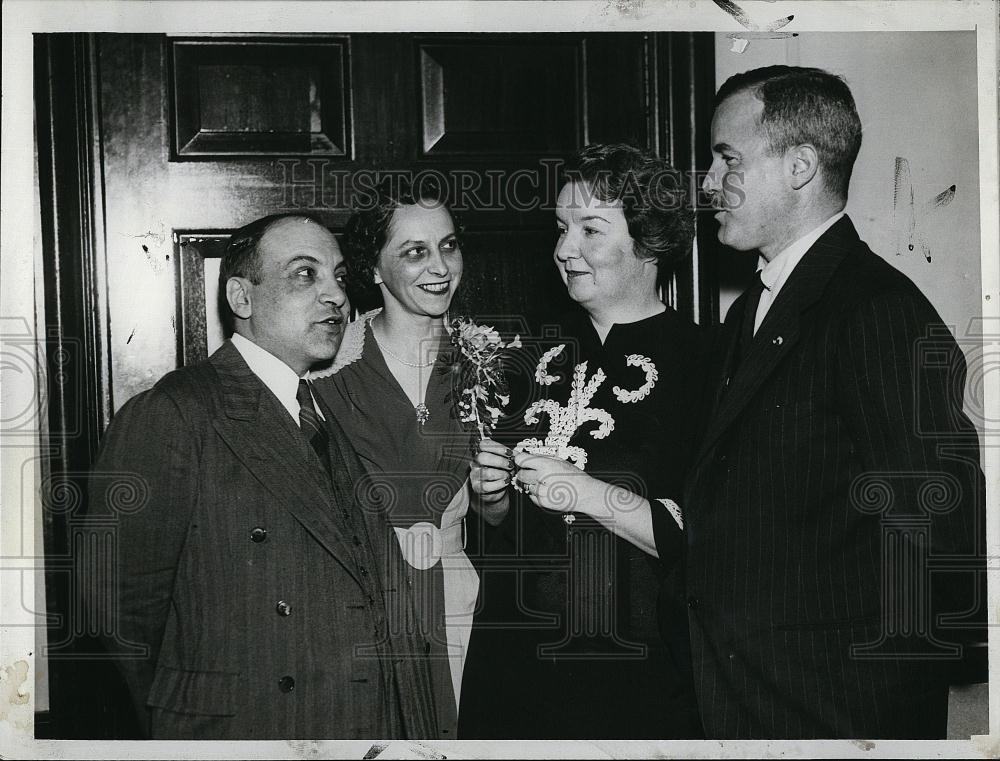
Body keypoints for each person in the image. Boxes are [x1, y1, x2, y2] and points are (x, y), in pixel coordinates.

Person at [687, 65, 985, 738]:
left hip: (834, 708)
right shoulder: (753, 314)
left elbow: (942, 518)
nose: (708, 183)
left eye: (728, 158)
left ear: (799, 166)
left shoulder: (875, 308)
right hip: (752, 695)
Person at [87, 213, 437, 739]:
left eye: (340, 278)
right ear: (241, 298)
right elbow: (116, 607)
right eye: (305, 274)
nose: (336, 297)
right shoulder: (174, 412)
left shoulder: (318, 409)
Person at [459, 144, 709, 739]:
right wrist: (490, 499)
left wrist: (591, 495)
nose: (564, 249)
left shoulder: (709, 364)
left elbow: (721, 541)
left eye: (590, 230)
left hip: (640, 677)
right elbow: (498, 538)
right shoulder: (524, 360)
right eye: (561, 228)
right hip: (516, 672)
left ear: (649, 244)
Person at [310, 178, 508, 740]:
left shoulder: (488, 363)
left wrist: (493, 497)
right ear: (373, 269)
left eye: (449, 245)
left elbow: (498, 519)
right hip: (358, 609)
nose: (440, 266)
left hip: (455, 606)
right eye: (415, 252)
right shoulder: (327, 369)